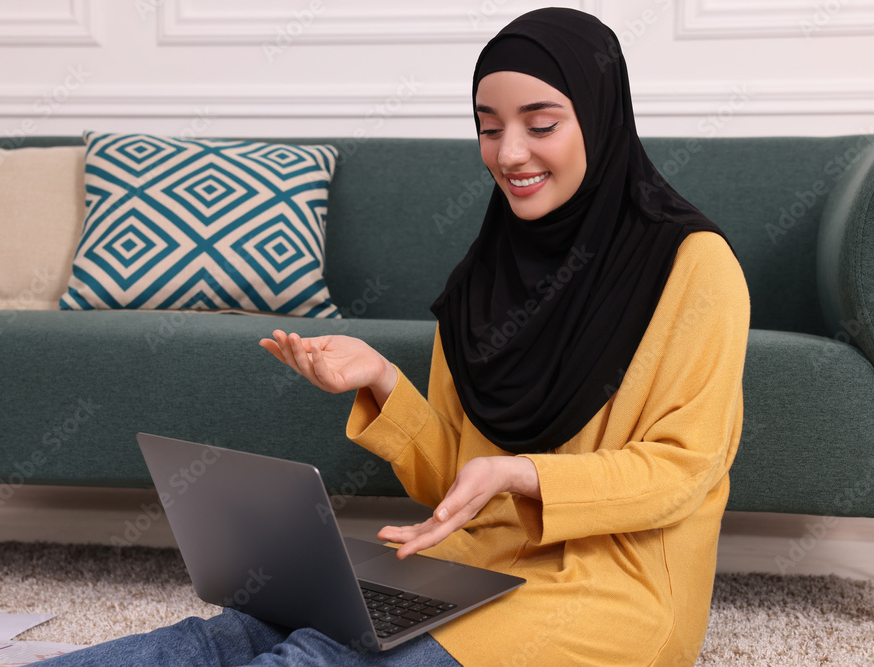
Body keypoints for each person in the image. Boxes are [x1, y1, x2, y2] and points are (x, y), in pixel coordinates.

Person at [40, 7, 749, 666]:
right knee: (230, 630)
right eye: (488, 125)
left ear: (599, 118)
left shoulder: (693, 266)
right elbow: (455, 487)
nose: (508, 153)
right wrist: (381, 378)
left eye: (541, 123)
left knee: (323, 656)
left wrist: (523, 472)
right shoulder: (483, 278)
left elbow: (686, 468)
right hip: (475, 563)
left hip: (611, 589)